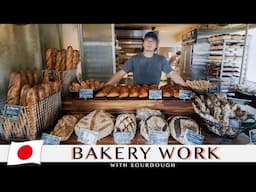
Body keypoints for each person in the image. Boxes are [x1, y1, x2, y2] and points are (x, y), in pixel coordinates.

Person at [105, 31, 187, 87]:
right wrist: (107, 85)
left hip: (154, 94)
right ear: (143, 43)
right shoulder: (134, 59)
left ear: (156, 46)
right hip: (137, 93)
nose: (150, 43)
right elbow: (120, 74)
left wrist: (186, 87)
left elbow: (173, 74)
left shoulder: (161, 59)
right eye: (147, 40)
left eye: (153, 41)